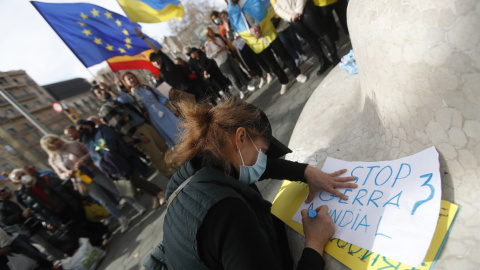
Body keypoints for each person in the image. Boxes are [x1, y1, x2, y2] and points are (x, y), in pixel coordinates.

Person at [143, 99, 357, 269]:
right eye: (263, 151)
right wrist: (314, 243)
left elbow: (255, 169)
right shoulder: (229, 214)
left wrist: (305, 172)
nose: (264, 160)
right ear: (241, 137)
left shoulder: (192, 172)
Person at [92, 84, 174, 200]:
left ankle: (180, 168)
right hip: (137, 132)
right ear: (97, 97)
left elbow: (129, 99)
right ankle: (173, 177)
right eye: (98, 92)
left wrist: (113, 89)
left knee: (165, 148)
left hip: (145, 124)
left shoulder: (116, 99)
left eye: (102, 88)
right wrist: (138, 136)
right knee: (157, 156)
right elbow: (121, 127)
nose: (102, 91)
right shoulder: (106, 109)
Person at [39, 135, 130, 233]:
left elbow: (92, 151)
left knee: (114, 189)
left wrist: (83, 159)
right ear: (48, 147)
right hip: (81, 179)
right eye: (52, 142)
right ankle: (121, 219)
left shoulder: (73, 144)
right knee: (102, 200)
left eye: (56, 139)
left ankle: (135, 203)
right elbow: (60, 174)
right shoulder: (53, 159)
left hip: (92, 170)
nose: (56, 142)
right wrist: (67, 174)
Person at [76, 119, 165, 210]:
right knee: (133, 183)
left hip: (121, 158)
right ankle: (154, 195)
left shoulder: (102, 129)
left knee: (136, 179)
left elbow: (111, 142)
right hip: (111, 166)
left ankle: (159, 192)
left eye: (81, 127)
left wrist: (105, 153)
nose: (81, 130)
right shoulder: (88, 140)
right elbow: (94, 155)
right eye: (79, 130)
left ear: (88, 124)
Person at [228, 0, 309, 95]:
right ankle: (284, 81)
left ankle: (297, 74)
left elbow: (260, 9)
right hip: (254, 39)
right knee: (271, 62)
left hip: (266, 30)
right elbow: (236, 27)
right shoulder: (231, 10)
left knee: (283, 53)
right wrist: (251, 32)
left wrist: (257, 26)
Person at [274, 0, 341, 75]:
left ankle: (334, 56)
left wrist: (298, 11)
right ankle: (324, 60)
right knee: (310, 40)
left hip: (304, 7)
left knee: (321, 33)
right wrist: (290, 17)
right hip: (292, 17)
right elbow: (276, 8)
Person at [122, 71, 182, 148]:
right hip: (153, 117)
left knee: (177, 125)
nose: (131, 79)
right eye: (128, 79)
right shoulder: (131, 96)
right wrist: (119, 86)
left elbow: (161, 97)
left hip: (163, 109)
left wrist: (172, 108)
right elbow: (121, 99)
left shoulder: (146, 87)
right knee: (170, 132)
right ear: (126, 83)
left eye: (132, 77)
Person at [204, 26, 250, 99]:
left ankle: (247, 85)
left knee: (238, 72)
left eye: (211, 30)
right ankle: (240, 91)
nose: (211, 32)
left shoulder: (218, 38)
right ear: (207, 34)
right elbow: (208, 56)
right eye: (209, 32)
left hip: (228, 56)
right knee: (232, 77)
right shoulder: (207, 44)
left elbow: (225, 45)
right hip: (221, 62)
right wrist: (216, 52)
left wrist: (226, 48)